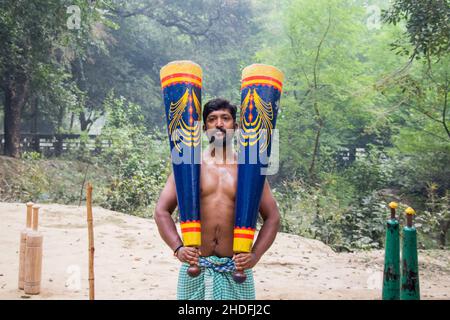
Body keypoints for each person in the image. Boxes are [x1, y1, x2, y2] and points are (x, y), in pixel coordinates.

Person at [154, 98, 280, 300]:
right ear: (204, 128)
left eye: (225, 118)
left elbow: (272, 217)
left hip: (237, 268)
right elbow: (161, 211)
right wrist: (178, 248)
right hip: (195, 266)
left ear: (236, 127)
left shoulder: (249, 171)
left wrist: (255, 255)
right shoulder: (189, 168)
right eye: (212, 119)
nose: (219, 123)